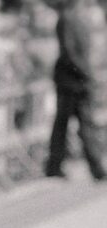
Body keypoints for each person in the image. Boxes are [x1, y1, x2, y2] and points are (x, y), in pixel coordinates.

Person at [44, 0, 107, 180]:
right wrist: (87, 73)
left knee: (70, 124)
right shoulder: (69, 19)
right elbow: (70, 52)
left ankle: (57, 165)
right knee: (76, 124)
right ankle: (92, 168)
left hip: (74, 80)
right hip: (73, 82)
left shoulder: (74, 19)